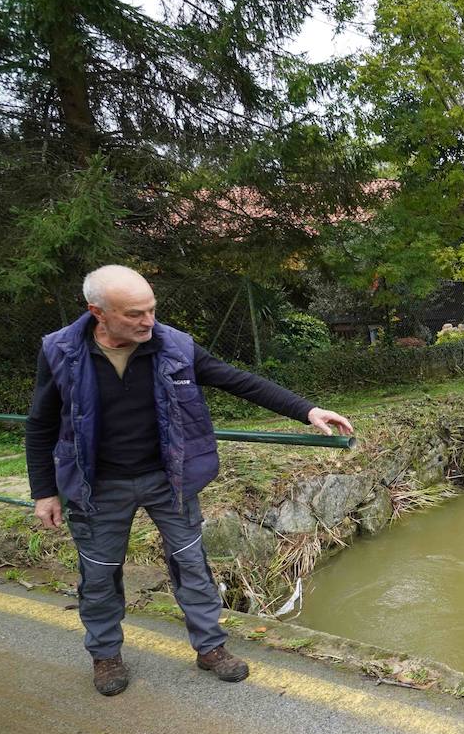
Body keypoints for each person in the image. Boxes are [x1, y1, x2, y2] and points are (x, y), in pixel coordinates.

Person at [26, 265, 353, 696]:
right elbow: (40, 424)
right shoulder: (60, 352)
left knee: (192, 566)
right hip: (97, 487)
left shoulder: (173, 345)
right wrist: (44, 490)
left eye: (152, 310)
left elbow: (238, 381)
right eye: (135, 314)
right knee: (100, 574)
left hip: (170, 481)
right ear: (98, 312)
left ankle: (211, 648)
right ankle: (106, 655)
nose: (148, 321)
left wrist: (308, 410)